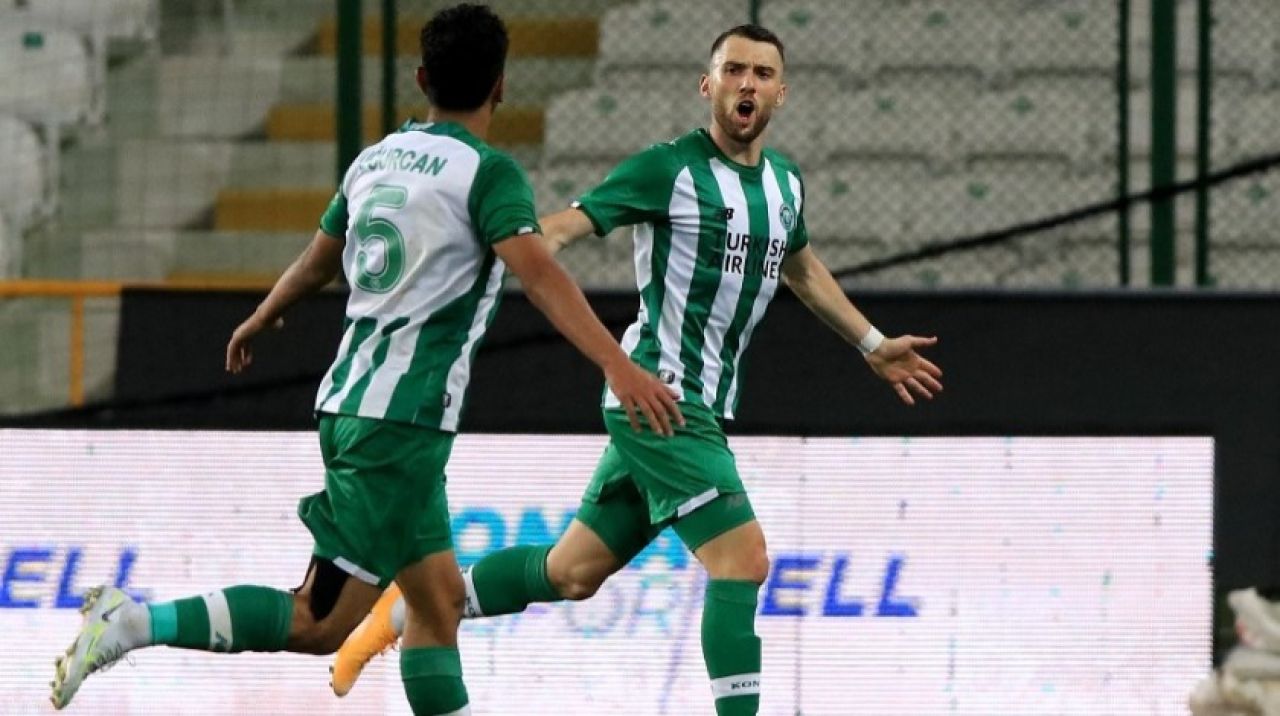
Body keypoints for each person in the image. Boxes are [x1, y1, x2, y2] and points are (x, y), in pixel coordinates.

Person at [47, 4, 680, 714]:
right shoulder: (489, 174)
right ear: (502, 85)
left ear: (421, 80)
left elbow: (319, 261)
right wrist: (617, 365)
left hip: (356, 403)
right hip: (399, 426)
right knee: (320, 620)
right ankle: (134, 621)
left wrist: (265, 311)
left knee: (437, 604)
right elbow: (540, 275)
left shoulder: (376, 159)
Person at [330, 23, 944, 716]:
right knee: (743, 560)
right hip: (663, 397)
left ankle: (409, 608)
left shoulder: (784, 184)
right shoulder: (666, 169)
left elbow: (800, 269)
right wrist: (489, 247)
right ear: (707, 85)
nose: (747, 84)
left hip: (692, 406)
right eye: (734, 70)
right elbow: (564, 227)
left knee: (571, 572)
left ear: (782, 92)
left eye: (762, 73)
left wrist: (871, 343)